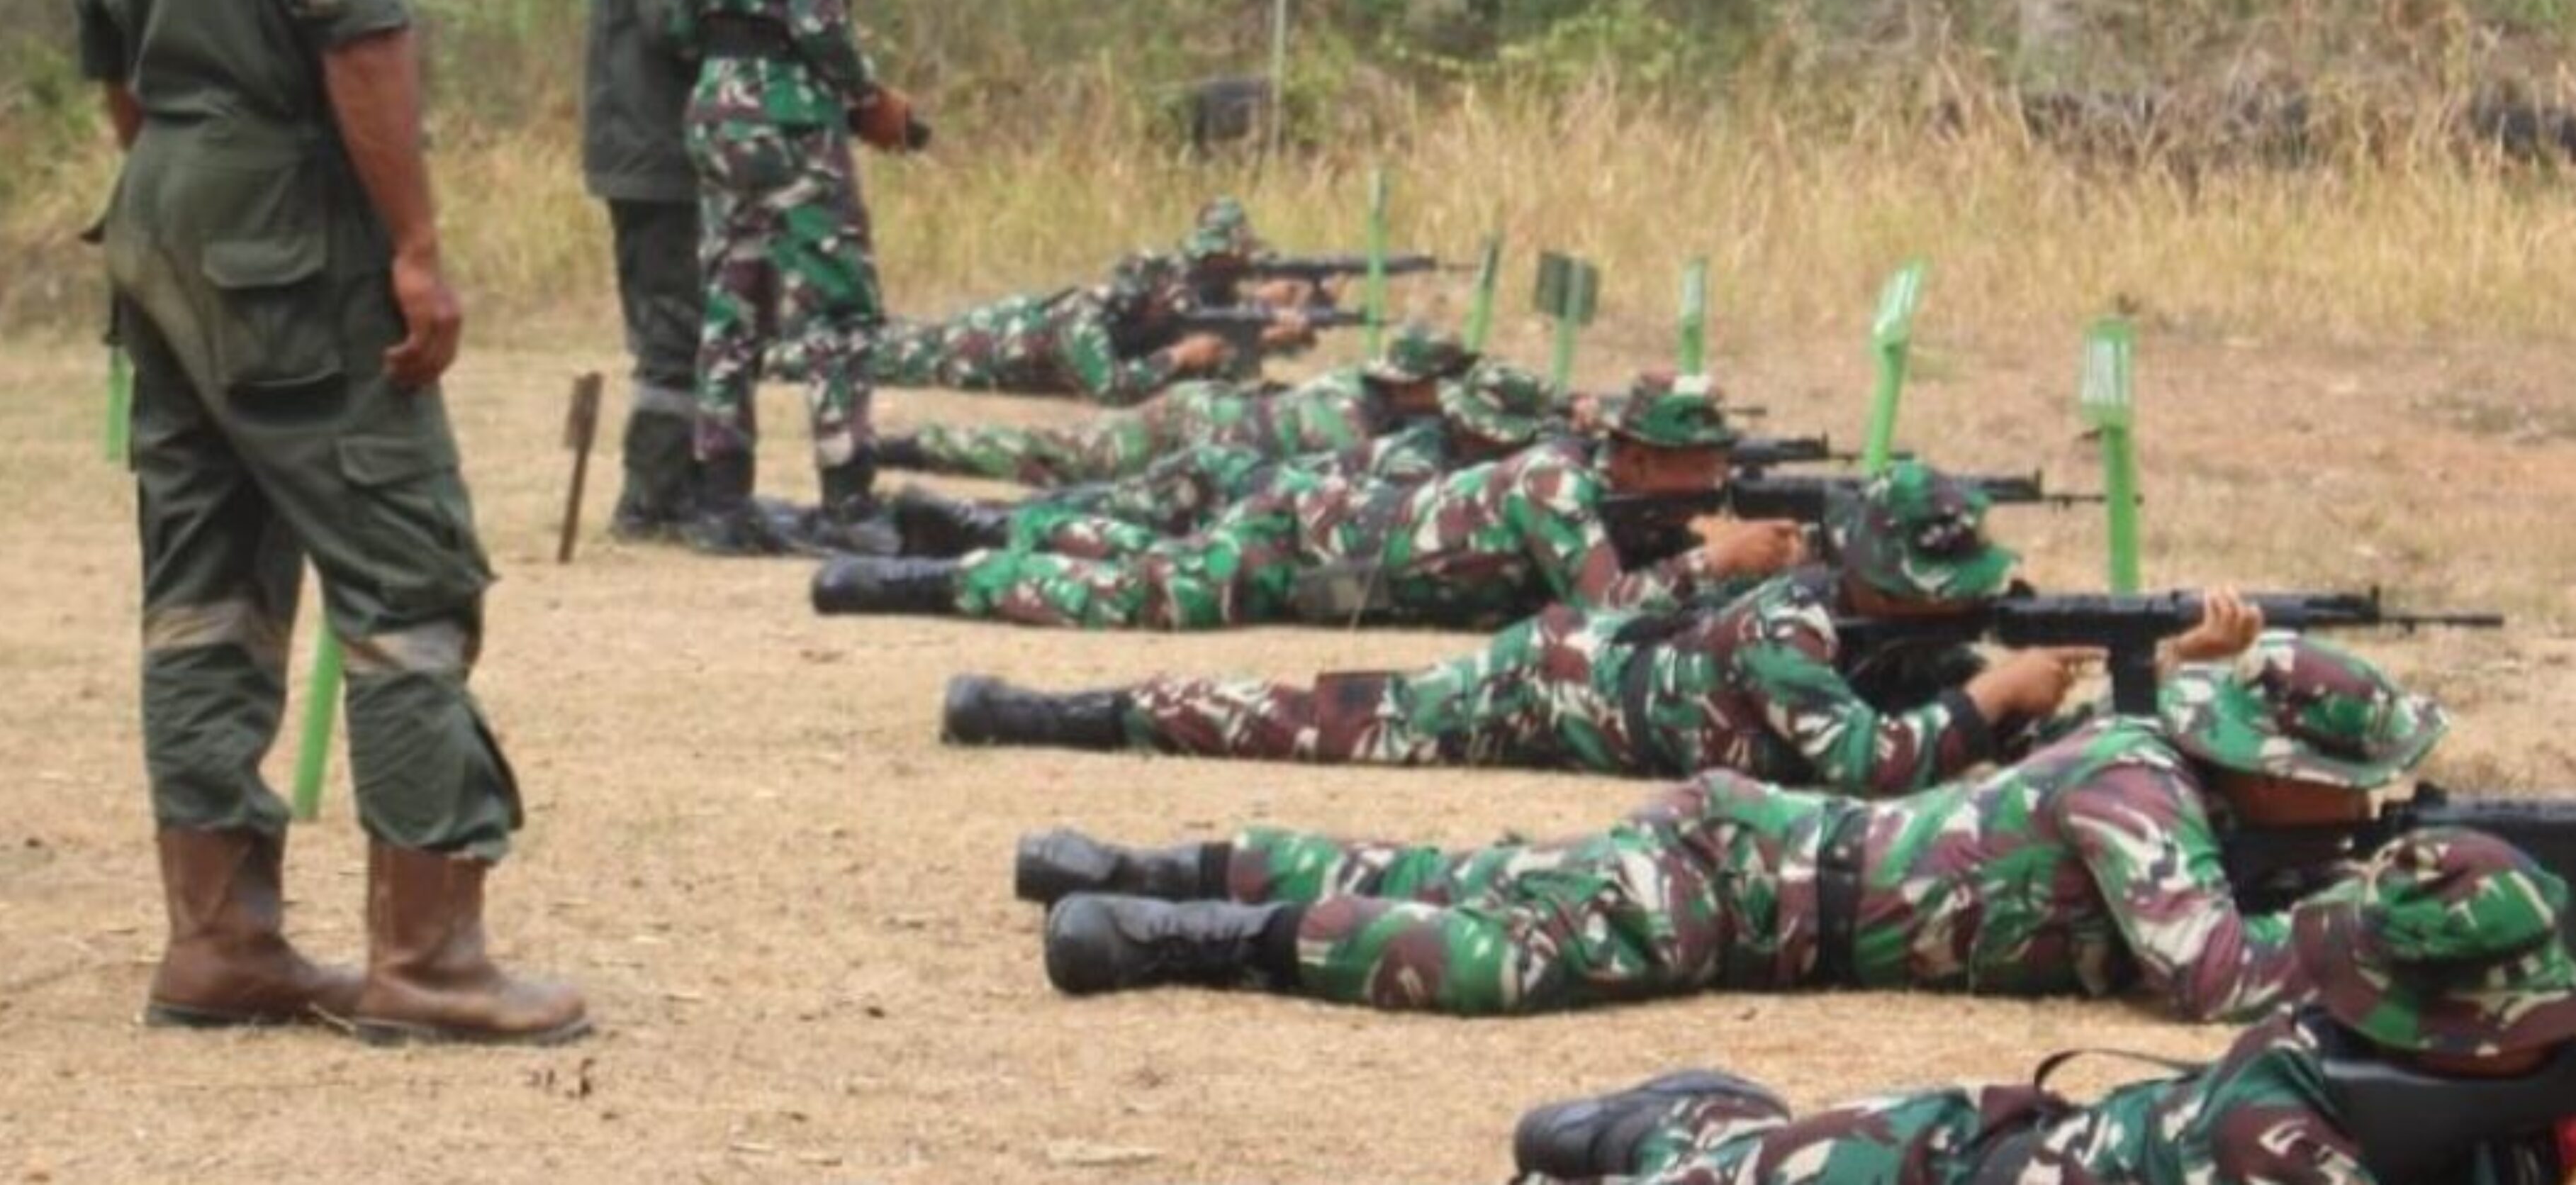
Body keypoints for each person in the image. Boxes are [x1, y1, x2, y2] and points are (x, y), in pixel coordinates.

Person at [58, 0, 583, 1045]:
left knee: (204, 581)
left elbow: (107, 50)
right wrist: (413, 243)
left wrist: (186, 194)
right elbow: (355, 20)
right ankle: (429, 959)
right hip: (293, 214)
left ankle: (219, 941)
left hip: (159, 203)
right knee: (404, 581)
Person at [1021, 638, 2576, 1020]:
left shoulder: (2186, 792)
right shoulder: (2134, 783)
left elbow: (2259, 906)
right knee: (1493, 948)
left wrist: (2540, 883)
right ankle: (1196, 932)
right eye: (2351, 786)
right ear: (2271, 767)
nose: (2367, 806)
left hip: (1756, 856)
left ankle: (1141, 861)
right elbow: (2205, 975)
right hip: (1751, 891)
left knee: (1466, 869)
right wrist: (2421, 908)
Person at [1508, 830, 2576, 1185]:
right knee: (1689, 1168)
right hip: (1931, 1169)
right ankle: (1675, 1123)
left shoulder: (2491, 1104)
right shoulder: (2278, 1119)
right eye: (2511, 1030)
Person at [939, 464, 2212, 799]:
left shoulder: (1895, 637)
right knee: (1288, 716)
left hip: (1597, 663)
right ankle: (1047, 711)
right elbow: (1872, 769)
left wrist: (2163, 668)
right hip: (1540, 688)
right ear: (1896, 584)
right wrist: (2002, 695)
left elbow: (1988, 735)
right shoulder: (1793, 630)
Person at [811, 372, 1806, 630]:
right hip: (1304, 542)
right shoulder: (1554, 482)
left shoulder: (1600, 490)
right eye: (1687, 465)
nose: (1705, 483)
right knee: (1135, 595)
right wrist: (1714, 562)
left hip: (1332, 555)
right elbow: (1599, 613)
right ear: (1630, 458)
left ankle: (975, 526)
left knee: (1138, 559)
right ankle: (922, 578)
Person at [671, 0, 922, 558]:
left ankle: (719, 500)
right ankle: (848, 500)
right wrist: (868, 100)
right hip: (788, 110)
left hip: (714, 101)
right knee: (839, 302)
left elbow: (678, 11)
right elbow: (819, 19)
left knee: (731, 298)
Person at [581, 0, 748, 541]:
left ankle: (669, 489)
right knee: (670, 329)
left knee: (673, 322)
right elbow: (667, 21)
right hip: (652, 149)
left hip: (647, 142)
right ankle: (648, 501)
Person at [874, 316, 1475, 488]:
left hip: (1202, 410)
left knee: (1057, 457)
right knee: (1054, 460)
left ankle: (900, 450)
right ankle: (900, 450)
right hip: (1192, 431)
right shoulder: (1354, 427)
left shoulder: (1357, 386)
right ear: (1415, 382)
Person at [866, 201, 1297, 405]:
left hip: (1003, 337)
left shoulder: (1157, 312)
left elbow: (1218, 359)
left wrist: (1269, 333)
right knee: (878, 352)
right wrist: (1178, 357)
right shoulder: (1085, 321)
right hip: (972, 348)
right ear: (1146, 301)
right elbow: (1111, 389)